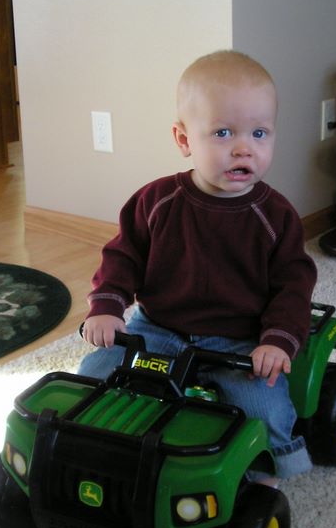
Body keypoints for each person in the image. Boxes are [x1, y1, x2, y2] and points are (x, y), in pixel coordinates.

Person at [78, 50, 317, 480]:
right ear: (185, 140)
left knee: (262, 405)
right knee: (94, 373)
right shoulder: (156, 201)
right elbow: (122, 255)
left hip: (239, 343)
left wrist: (277, 341)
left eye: (260, 133)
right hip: (159, 329)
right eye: (223, 132)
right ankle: (102, 445)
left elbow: (294, 285)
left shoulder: (276, 216)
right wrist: (108, 308)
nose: (245, 147)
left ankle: (278, 457)